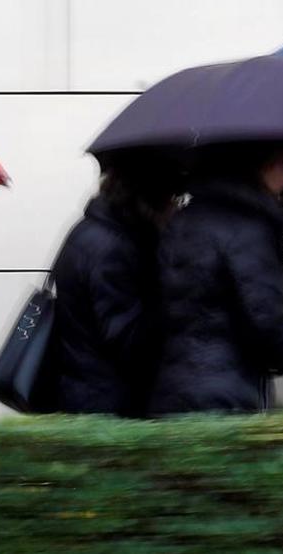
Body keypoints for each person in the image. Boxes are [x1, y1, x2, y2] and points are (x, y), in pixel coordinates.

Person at [149, 144, 283, 415]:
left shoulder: (183, 220)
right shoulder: (250, 229)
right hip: (227, 401)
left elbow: (207, 298)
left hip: (173, 393)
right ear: (259, 166)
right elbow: (268, 328)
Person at [49, 153, 182, 417]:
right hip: (110, 408)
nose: (175, 208)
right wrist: (171, 292)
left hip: (87, 394)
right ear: (150, 197)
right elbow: (130, 341)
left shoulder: (91, 231)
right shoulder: (114, 249)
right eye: (172, 198)